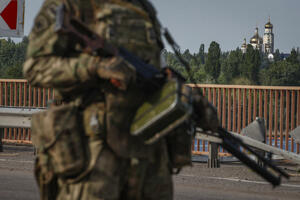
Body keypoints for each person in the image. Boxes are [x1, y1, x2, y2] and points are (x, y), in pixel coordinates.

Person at [24, 0, 218, 199]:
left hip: (149, 156)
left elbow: (156, 74)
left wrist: (190, 98)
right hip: (94, 155)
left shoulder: (143, 8)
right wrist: (93, 67)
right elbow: (36, 67)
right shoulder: (72, 4)